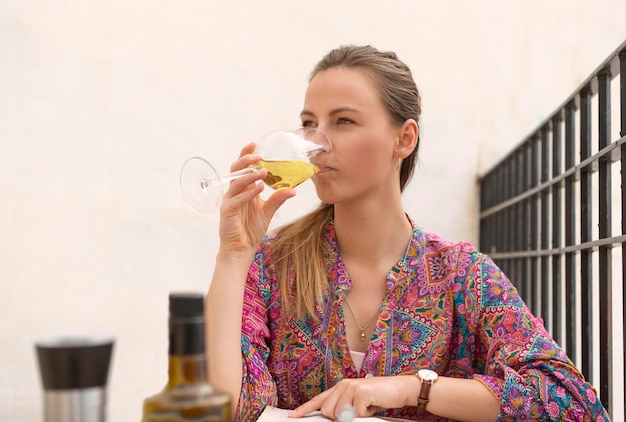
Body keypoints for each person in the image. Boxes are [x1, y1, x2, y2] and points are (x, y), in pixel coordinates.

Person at [205, 45, 610, 421]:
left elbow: (570, 402)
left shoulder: (460, 274)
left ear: (404, 138)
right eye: (309, 123)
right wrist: (234, 254)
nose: (315, 143)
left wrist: (412, 388)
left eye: (343, 121)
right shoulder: (272, 262)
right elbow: (226, 408)